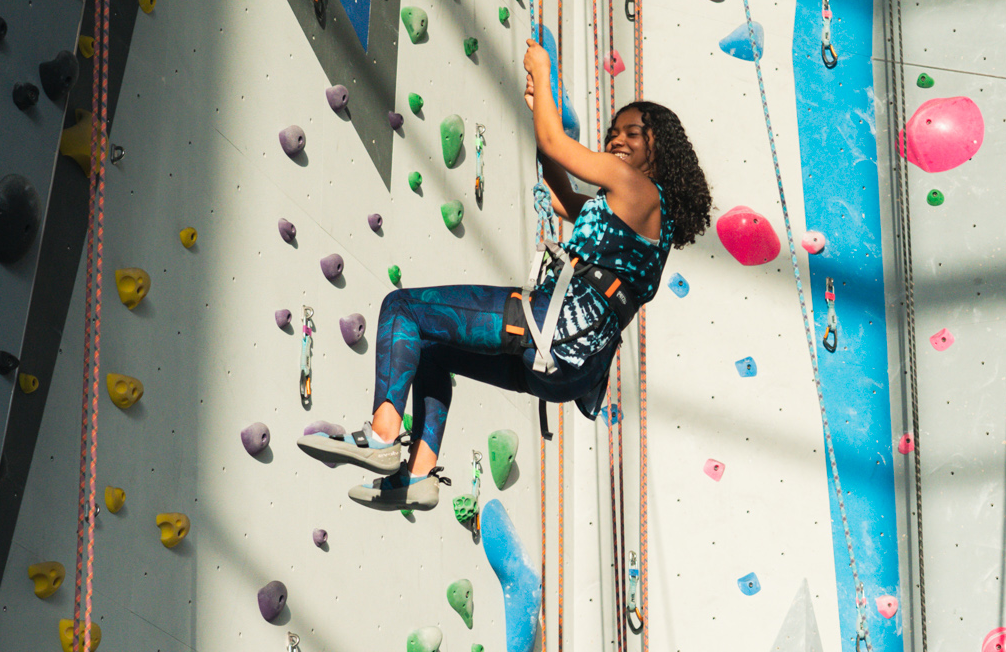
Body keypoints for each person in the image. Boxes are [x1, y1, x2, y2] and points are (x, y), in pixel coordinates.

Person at [298, 39, 712, 508]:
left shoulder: (636, 187)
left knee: (403, 310)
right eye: (613, 132)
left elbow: (557, 145)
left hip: (552, 332)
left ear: (660, 149)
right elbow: (561, 193)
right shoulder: (642, 217)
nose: (616, 139)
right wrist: (540, 114)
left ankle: (382, 435)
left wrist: (543, 70)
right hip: (572, 371)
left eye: (632, 133)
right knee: (431, 349)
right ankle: (418, 475)